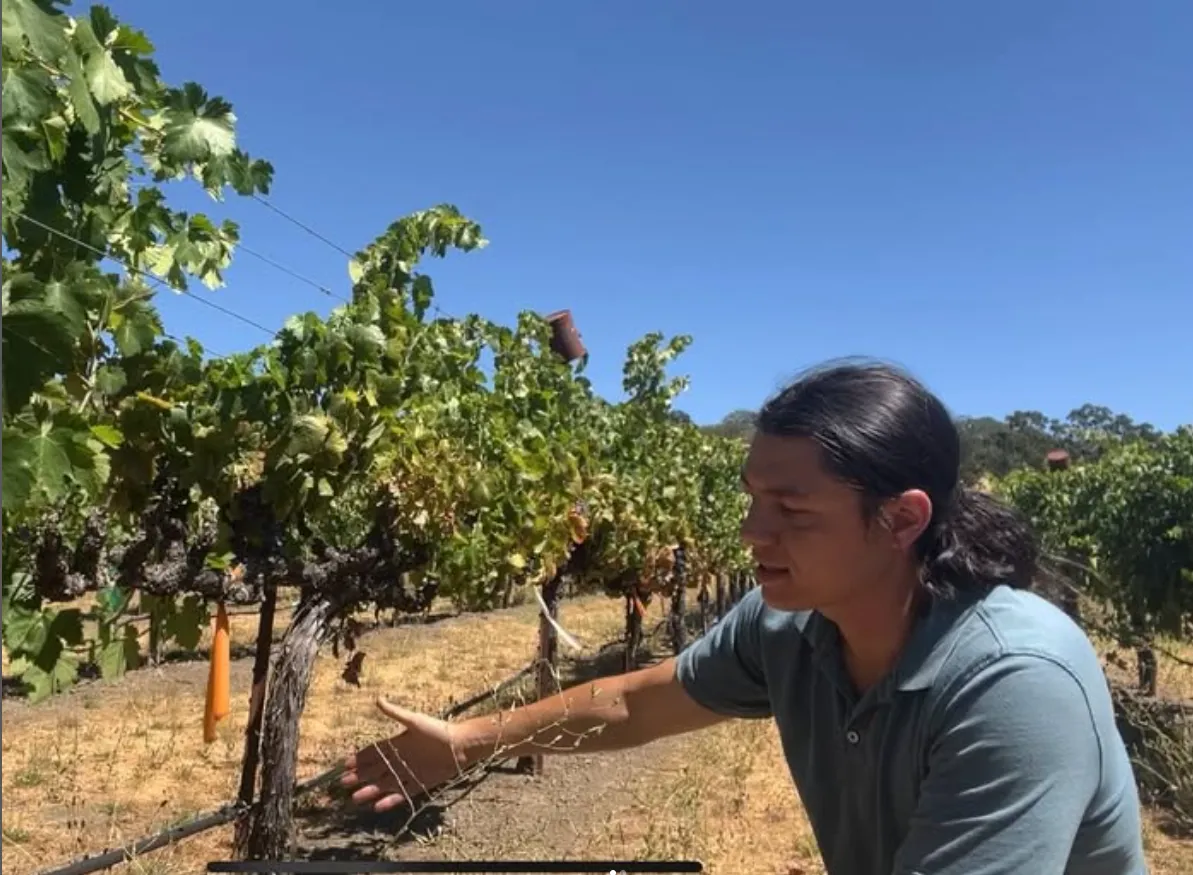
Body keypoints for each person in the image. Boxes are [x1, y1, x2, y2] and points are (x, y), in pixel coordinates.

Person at [342, 359, 1147, 875]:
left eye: (790, 508)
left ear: (901, 519)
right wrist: (468, 743)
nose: (750, 533)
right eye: (751, 499)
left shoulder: (1012, 681)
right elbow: (636, 699)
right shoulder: (789, 622)